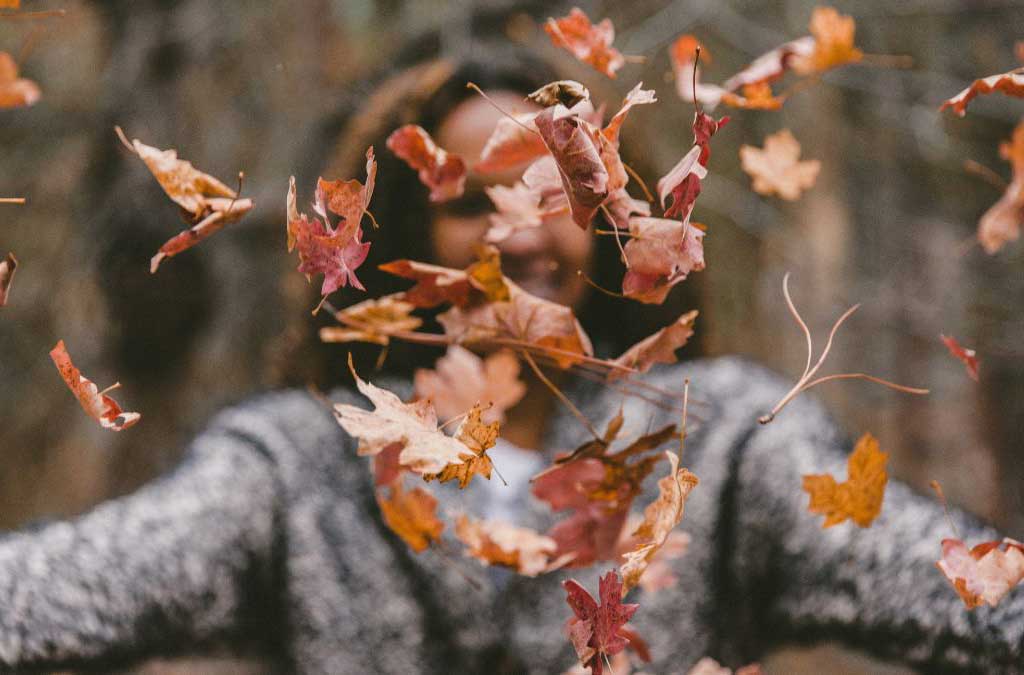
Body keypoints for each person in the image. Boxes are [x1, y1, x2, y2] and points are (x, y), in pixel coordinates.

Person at [1, 20, 1022, 675]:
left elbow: (938, 583)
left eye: (552, 193)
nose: (519, 230)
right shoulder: (298, 466)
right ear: (405, 242)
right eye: (470, 204)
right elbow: (86, 577)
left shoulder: (720, 443)